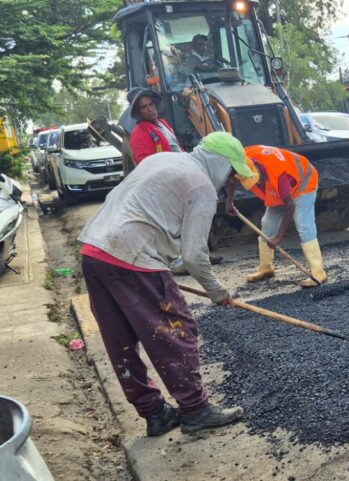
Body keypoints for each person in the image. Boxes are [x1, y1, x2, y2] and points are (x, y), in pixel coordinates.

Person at [77, 132, 256, 437]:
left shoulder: (164, 159)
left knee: (120, 340)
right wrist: (216, 291)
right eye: (230, 171)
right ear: (220, 161)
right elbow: (194, 255)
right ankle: (196, 410)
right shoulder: (200, 186)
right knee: (176, 331)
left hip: (94, 252)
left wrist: (165, 265)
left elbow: (148, 210)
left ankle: (155, 414)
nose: (229, 179)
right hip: (130, 255)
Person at [225, 145, 326, 288]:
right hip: (278, 184)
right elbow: (231, 178)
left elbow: (290, 206)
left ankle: (318, 272)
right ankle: (266, 268)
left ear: (258, 171)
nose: (258, 185)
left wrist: (279, 236)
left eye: (258, 182)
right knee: (267, 224)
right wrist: (229, 201)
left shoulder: (277, 174)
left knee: (303, 225)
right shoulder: (241, 159)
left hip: (304, 180)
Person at [127, 87, 181, 164]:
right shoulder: (139, 134)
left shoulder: (163, 123)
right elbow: (146, 164)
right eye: (144, 107)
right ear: (138, 112)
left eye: (151, 104)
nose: (150, 109)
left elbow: (176, 146)